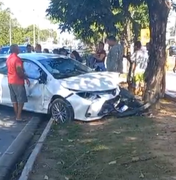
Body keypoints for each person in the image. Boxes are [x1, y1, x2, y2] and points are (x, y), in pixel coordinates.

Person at [6, 44, 30, 122]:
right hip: (18, 81)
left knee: (14, 100)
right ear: (15, 49)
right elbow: (19, 71)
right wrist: (26, 78)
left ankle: (17, 115)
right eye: (18, 48)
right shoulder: (17, 59)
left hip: (10, 81)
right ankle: (19, 117)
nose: (19, 49)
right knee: (21, 100)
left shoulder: (8, 58)